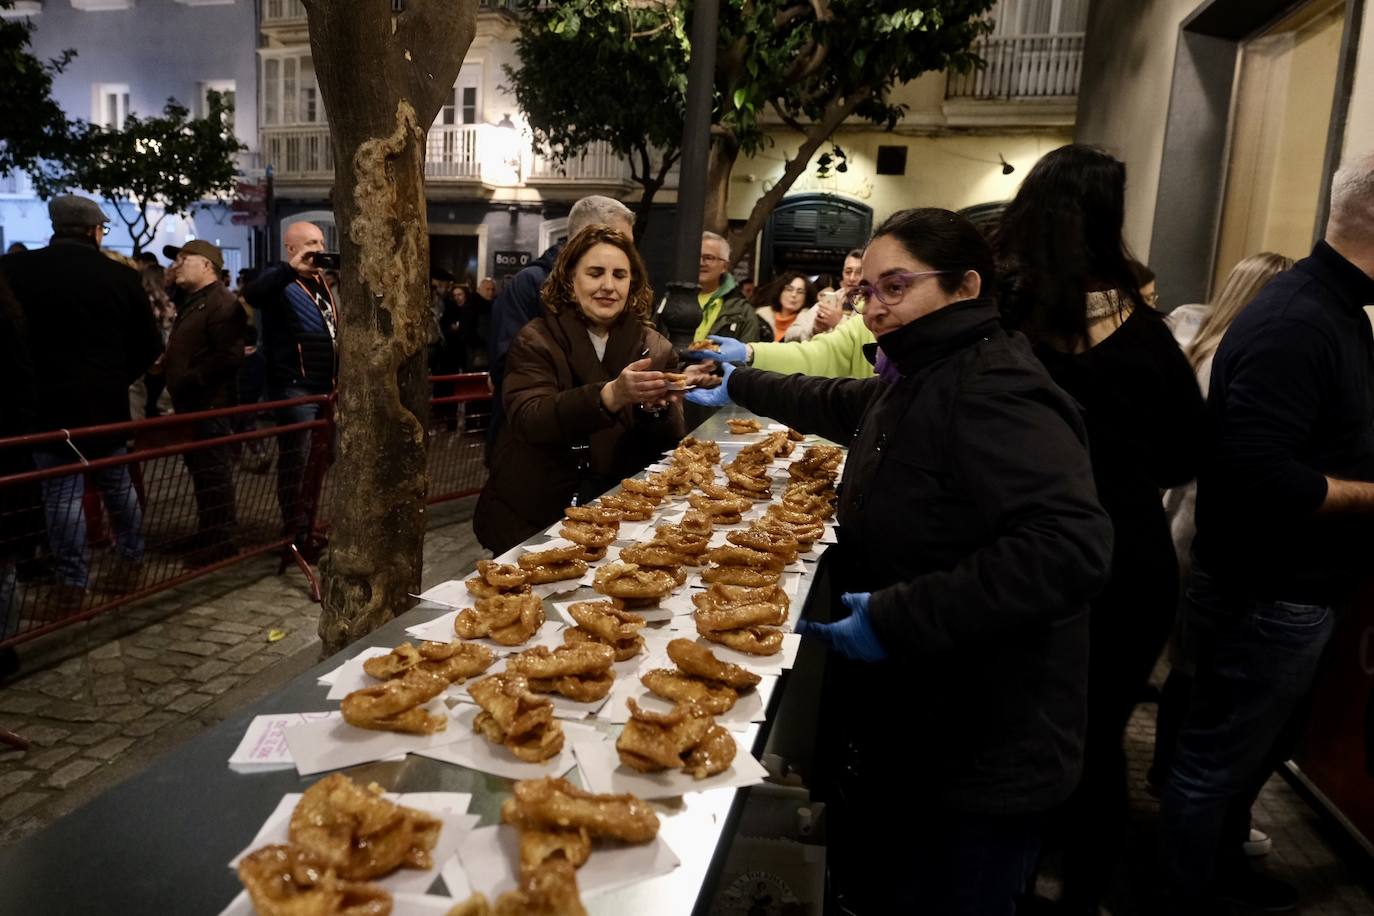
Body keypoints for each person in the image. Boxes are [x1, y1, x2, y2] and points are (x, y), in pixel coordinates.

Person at [686, 208, 1113, 914]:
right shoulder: (924, 372)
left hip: (982, 741)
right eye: (867, 292)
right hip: (919, 721)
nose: (875, 307)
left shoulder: (999, 388)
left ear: (965, 286)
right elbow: (841, 401)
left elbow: (1070, 548)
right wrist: (742, 382)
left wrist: (899, 615)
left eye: (896, 287)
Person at [995, 144, 1208, 915]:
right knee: (1097, 740)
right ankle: (1081, 896)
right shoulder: (1146, 335)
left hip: (1025, 553)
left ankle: (1011, 886)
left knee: (1019, 730)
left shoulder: (1004, 324)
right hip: (1127, 558)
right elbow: (1190, 452)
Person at [1163, 153, 1374, 913]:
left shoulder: (1334, 312)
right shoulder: (1298, 319)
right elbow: (1262, 477)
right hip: (1267, 592)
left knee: (1242, 759)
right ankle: (1186, 896)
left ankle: (1220, 875)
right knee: (1212, 766)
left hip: (1288, 591)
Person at [1146, 252, 1293, 859]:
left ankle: (1165, 776)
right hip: (1207, 529)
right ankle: (1186, 806)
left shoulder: (1196, 346)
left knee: (1186, 665)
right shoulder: (1246, 357)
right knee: (1206, 676)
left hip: (1176, 522)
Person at [474, 224, 685, 555]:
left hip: (619, 516)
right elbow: (529, 417)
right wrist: (609, 396)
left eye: (619, 275)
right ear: (570, 280)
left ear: (632, 284)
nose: (608, 286)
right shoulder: (536, 339)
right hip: (536, 512)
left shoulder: (656, 348)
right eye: (595, 273)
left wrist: (656, 409)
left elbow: (669, 442)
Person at [0, 195, 163, 598]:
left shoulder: (15, 270)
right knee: (118, 487)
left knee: (61, 496)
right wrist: (115, 377)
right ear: (93, 231)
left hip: (46, 404)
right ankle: (131, 559)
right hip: (106, 403)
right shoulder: (120, 276)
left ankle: (72, 581)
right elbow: (149, 343)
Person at [487, 195, 636, 461]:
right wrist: (600, 393)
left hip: (591, 447)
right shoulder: (529, 284)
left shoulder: (622, 298)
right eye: (619, 241)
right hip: (533, 452)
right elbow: (509, 369)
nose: (628, 254)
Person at [242, 220, 337, 551]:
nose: (319, 249)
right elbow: (253, 294)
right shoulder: (279, 278)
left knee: (322, 458)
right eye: (311, 243)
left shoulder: (321, 282)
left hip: (326, 386)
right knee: (296, 459)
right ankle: (295, 533)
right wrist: (289, 269)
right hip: (296, 386)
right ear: (291, 248)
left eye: (321, 242)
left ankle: (306, 524)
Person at [163, 240, 247, 564]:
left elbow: (230, 355)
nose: (177, 264)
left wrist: (191, 377)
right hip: (194, 403)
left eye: (185, 259)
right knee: (201, 471)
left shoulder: (220, 303)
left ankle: (221, 538)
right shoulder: (196, 300)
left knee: (213, 472)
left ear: (207, 265)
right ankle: (209, 531)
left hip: (210, 404)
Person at [682, 231, 767, 344]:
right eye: (696, 256)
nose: (701, 263)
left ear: (725, 266)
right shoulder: (671, 298)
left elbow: (747, 352)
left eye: (708, 258)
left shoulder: (742, 311)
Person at [753, 271, 819, 342]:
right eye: (789, 289)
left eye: (800, 292)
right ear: (780, 292)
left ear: (806, 297)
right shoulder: (760, 317)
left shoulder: (809, 324)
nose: (794, 295)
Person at [812, 248, 864, 334]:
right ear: (843, 273)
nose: (852, 278)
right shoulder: (832, 297)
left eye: (859, 272)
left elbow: (868, 337)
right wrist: (815, 330)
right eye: (848, 272)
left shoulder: (872, 303)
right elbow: (794, 330)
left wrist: (839, 321)